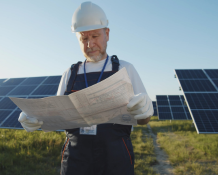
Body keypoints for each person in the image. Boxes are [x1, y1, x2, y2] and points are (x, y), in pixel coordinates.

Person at [18, 2, 154, 175]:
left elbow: (144, 119)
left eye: (95, 36)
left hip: (116, 160)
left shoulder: (125, 69)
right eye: (84, 38)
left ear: (107, 33)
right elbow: (56, 114)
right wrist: (34, 117)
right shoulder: (69, 73)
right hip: (76, 160)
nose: (90, 44)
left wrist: (145, 112)